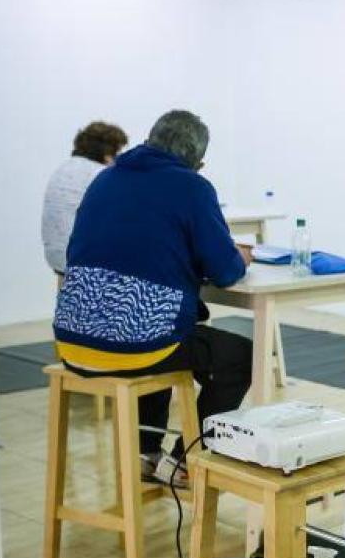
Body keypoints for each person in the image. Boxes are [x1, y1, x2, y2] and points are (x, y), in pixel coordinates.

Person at [53, 110, 254, 484]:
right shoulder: (193, 188)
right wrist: (240, 257)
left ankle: (146, 454)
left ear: (148, 141)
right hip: (135, 344)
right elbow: (225, 271)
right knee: (239, 356)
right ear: (198, 163)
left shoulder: (104, 180)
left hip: (71, 340)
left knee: (161, 329)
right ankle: (186, 463)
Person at [41, 121, 128, 274]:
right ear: (108, 155)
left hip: (55, 257)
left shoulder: (64, 168)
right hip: (83, 261)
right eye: (118, 152)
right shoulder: (101, 174)